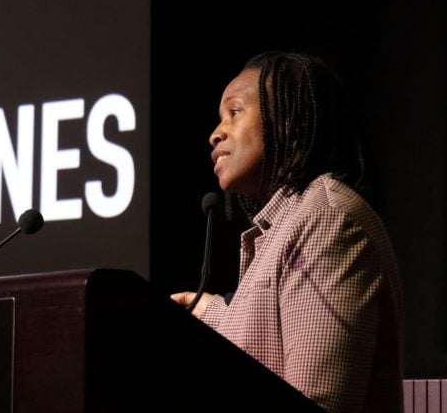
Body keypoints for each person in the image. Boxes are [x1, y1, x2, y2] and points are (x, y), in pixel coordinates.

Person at [171, 52, 404, 413]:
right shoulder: (286, 224)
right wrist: (209, 311)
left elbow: (318, 401)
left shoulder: (326, 221)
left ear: (286, 120)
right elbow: (269, 338)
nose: (215, 134)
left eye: (234, 112)